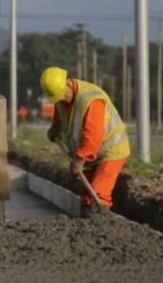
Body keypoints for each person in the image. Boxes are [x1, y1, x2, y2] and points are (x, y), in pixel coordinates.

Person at [41, 66, 130, 216]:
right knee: (87, 196)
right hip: (88, 152)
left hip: (111, 150)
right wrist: (55, 129)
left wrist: (78, 160)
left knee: (98, 193)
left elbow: (93, 137)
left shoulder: (90, 100)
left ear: (68, 82)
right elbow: (59, 117)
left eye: (63, 95)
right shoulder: (61, 100)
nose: (61, 100)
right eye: (57, 98)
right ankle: (86, 224)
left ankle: (101, 224)